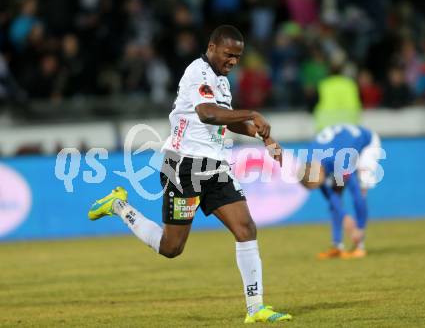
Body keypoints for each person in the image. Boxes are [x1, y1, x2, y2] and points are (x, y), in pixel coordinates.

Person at [88, 25, 292, 323]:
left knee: (245, 228)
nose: (233, 61)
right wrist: (252, 113)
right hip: (182, 166)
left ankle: (256, 309)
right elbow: (208, 113)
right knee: (171, 248)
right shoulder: (197, 72)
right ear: (212, 47)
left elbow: (224, 120)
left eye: (238, 56)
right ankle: (118, 205)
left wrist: (261, 135)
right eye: (228, 54)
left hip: (215, 166)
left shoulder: (222, 82)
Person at [298, 124, 383, 259]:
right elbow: (330, 195)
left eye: (319, 183)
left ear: (320, 171)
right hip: (341, 145)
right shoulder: (310, 161)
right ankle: (337, 246)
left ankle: (359, 244)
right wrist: (345, 216)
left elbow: (355, 191)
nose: (321, 186)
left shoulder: (339, 160)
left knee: (361, 189)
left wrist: (355, 228)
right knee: (335, 195)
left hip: (367, 143)